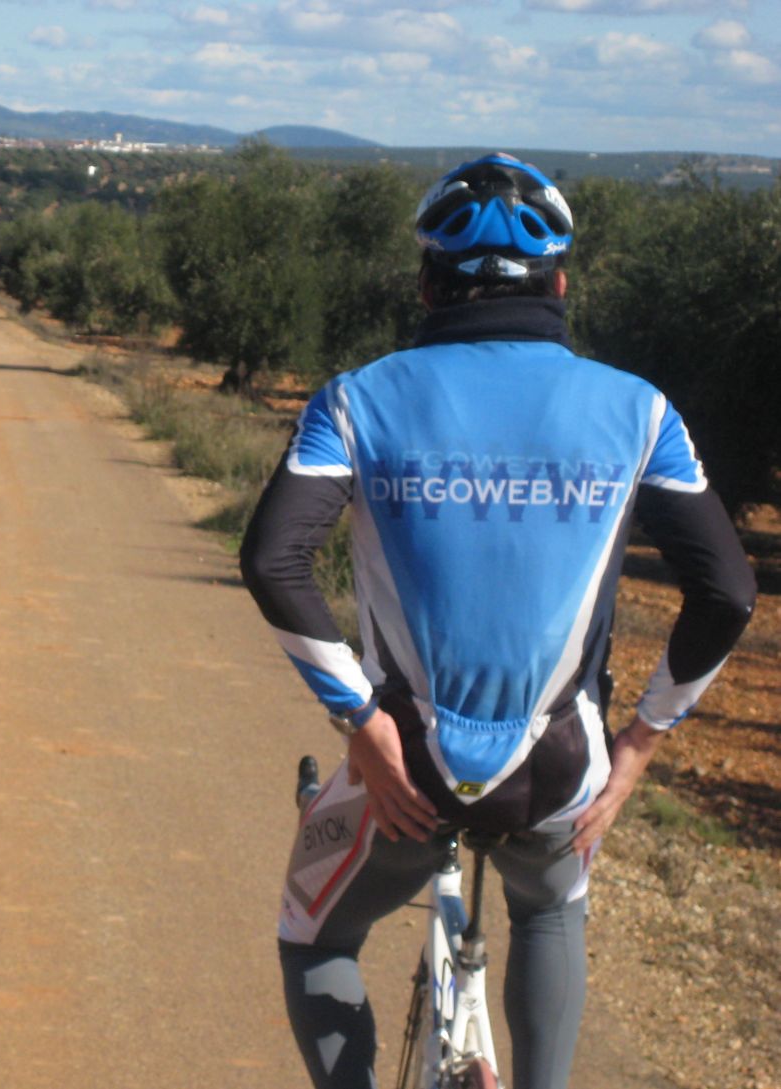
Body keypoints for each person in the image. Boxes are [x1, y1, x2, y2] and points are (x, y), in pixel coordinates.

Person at [239, 153, 756, 1089]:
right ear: (559, 285)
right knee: (550, 908)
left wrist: (362, 722)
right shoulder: (642, 411)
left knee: (315, 935)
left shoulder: (354, 400)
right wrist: (640, 742)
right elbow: (727, 591)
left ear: (426, 286)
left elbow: (274, 559)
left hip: (407, 768)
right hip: (560, 771)